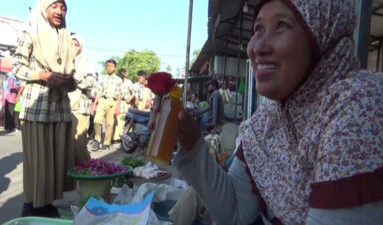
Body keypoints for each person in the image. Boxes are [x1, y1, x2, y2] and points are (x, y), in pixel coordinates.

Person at [148, 0, 383, 224]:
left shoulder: (358, 107)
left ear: (322, 37)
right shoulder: (267, 120)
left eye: (281, 25)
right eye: (258, 28)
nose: (257, 47)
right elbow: (236, 213)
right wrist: (191, 143)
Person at [13, 0, 78, 217]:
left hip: (60, 107)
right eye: (55, 6)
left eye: (63, 7)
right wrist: (45, 76)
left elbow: (73, 75)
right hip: (37, 107)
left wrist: (69, 82)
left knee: (55, 161)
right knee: (39, 162)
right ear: (44, 8)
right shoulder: (30, 31)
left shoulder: (67, 38)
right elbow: (17, 67)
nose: (60, 11)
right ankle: (32, 207)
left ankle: (47, 205)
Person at [68, 33, 94, 162]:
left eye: (76, 45)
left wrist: (73, 79)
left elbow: (90, 83)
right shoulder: (63, 61)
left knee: (78, 144)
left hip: (80, 108)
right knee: (66, 145)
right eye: (70, 43)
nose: (73, 47)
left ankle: (87, 172)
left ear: (81, 48)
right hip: (64, 107)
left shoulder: (86, 63)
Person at [91, 59, 122, 151]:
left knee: (109, 124)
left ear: (115, 67)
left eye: (111, 66)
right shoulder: (102, 78)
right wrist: (94, 103)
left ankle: (106, 143)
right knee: (97, 120)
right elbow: (99, 91)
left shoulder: (119, 80)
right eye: (108, 66)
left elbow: (120, 94)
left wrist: (118, 106)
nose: (109, 68)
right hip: (102, 100)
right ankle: (97, 139)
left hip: (113, 102)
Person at [113, 68, 133, 143]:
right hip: (118, 102)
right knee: (117, 119)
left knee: (125, 119)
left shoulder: (129, 82)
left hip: (126, 102)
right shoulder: (117, 81)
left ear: (125, 74)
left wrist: (130, 100)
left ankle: (125, 136)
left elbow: (134, 93)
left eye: (123, 73)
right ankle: (116, 137)